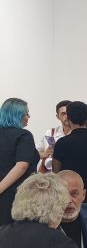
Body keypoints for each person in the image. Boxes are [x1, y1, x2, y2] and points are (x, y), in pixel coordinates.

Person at [51, 100, 87, 205]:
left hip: (69, 194)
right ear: (86, 118)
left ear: (68, 118)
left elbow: (56, 172)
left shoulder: (62, 142)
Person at [0, 97, 39, 226]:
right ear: (18, 115)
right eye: (26, 113)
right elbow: (22, 165)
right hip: (16, 196)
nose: (29, 117)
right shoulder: (24, 135)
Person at [38, 99, 72, 172]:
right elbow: (35, 153)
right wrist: (44, 154)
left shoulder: (80, 134)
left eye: (69, 113)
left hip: (73, 174)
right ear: (57, 116)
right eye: (63, 114)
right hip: (52, 176)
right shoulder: (51, 134)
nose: (67, 116)